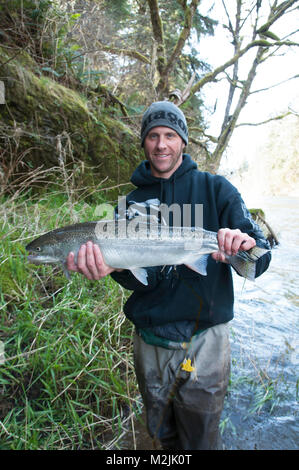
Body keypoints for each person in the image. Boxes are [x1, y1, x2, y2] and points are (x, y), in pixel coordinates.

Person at [67, 101, 271, 450]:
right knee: (162, 433)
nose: (161, 144)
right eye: (153, 136)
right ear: (144, 143)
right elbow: (135, 279)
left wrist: (245, 244)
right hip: (150, 342)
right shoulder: (129, 205)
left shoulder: (217, 190)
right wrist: (111, 267)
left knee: (202, 439)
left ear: (183, 141)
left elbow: (258, 261)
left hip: (205, 340)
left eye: (170, 135)